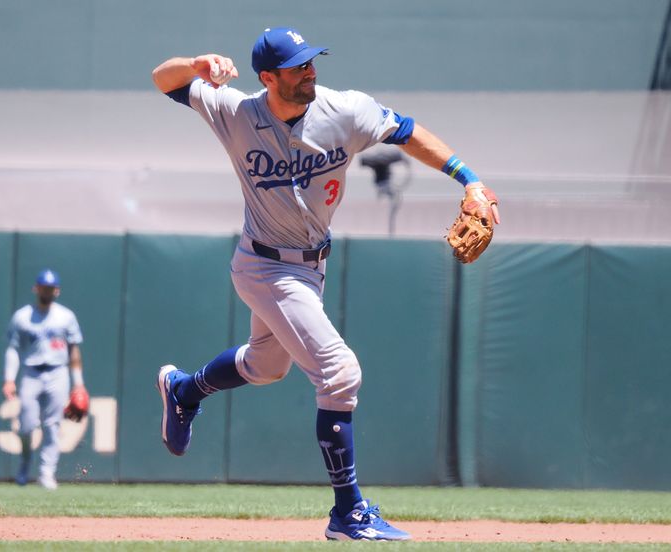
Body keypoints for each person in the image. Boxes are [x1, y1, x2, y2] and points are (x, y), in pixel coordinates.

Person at [151, 27, 500, 541]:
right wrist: (195, 63)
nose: (310, 70)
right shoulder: (236, 112)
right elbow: (163, 79)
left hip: (310, 267)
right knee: (339, 373)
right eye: (297, 66)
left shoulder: (345, 109)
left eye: (312, 61)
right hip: (264, 266)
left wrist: (469, 179)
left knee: (266, 366)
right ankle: (348, 513)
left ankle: (185, 389)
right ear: (268, 78)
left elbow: (407, 131)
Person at [2, 269, 87, 490]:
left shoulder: (66, 316)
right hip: (31, 372)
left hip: (58, 372)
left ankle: (46, 473)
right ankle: (24, 463)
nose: (46, 291)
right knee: (27, 427)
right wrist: (9, 378)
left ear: (56, 291)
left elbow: (74, 352)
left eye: (50, 288)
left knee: (52, 425)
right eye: (43, 287)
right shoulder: (22, 316)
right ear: (36, 288)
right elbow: (12, 349)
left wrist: (78, 383)